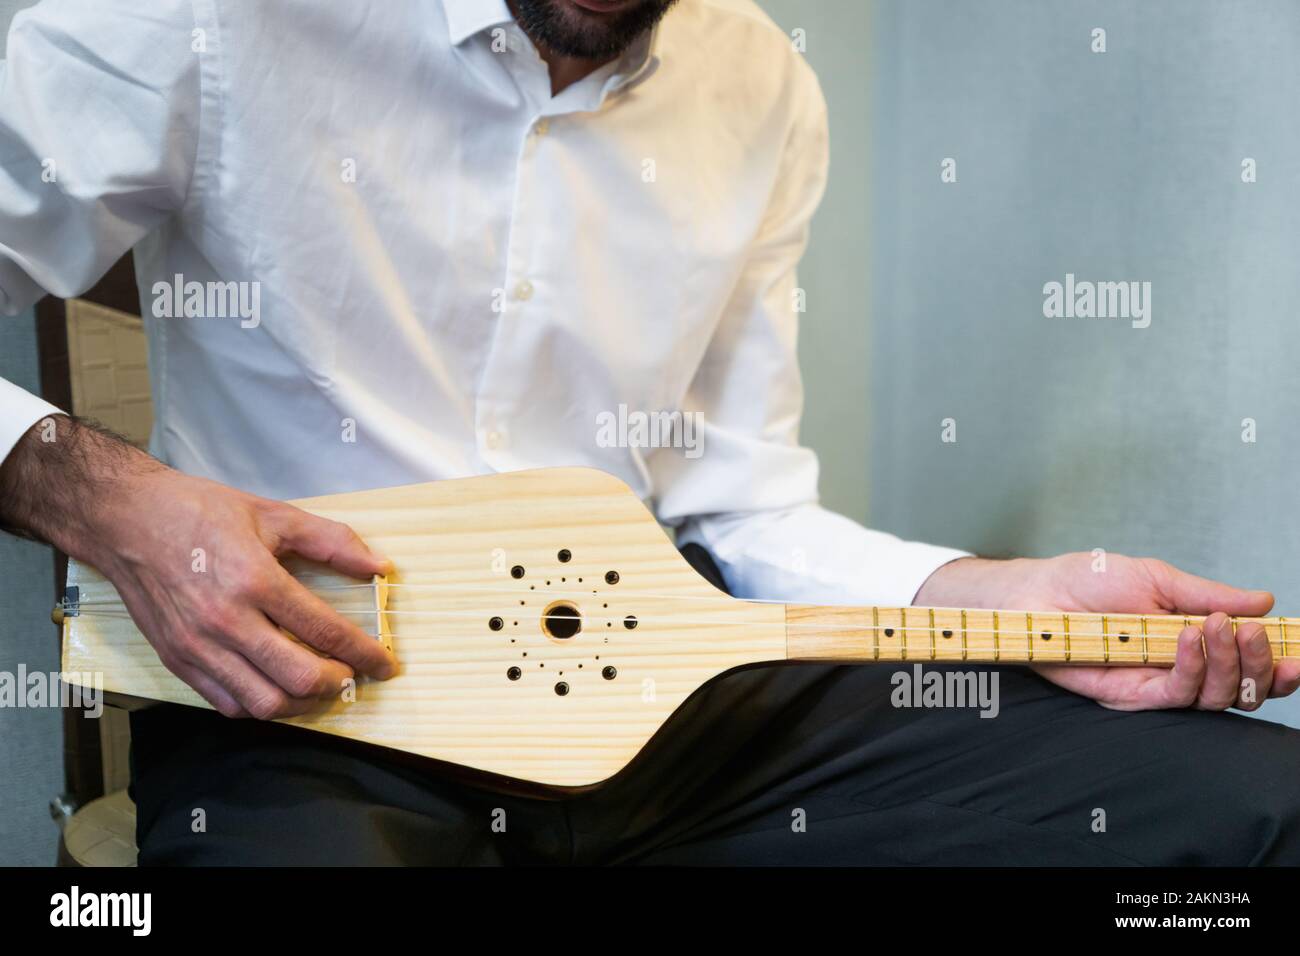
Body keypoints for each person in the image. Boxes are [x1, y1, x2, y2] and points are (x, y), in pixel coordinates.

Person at [1, 0, 1297, 864]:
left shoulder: (764, 85)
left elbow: (742, 509)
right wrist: (93, 491)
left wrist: (1026, 601)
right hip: (311, 705)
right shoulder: (194, 15)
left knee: (1252, 812)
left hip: (673, 691)